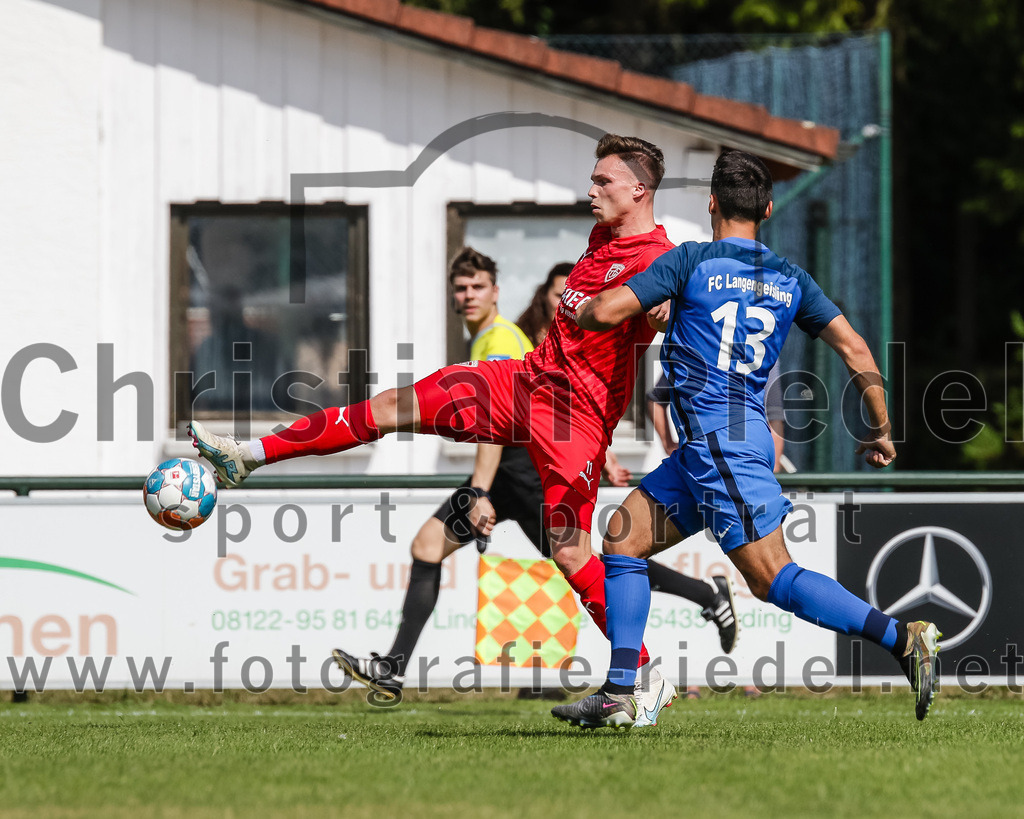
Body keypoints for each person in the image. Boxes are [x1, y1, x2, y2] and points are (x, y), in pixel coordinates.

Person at [189, 134, 735, 726]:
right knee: (396, 404)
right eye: (593, 178)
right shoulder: (604, 235)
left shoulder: (660, 259)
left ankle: (644, 676)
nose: (591, 189)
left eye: (603, 181)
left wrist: (666, 311)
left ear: (639, 190)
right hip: (523, 381)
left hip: (574, 418)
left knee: (574, 552)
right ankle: (247, 455)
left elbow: (681, 311)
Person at [552, 148, 940, 729]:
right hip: (726, 440)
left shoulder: (690, 262)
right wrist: (881, 429)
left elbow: (607, 313)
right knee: (623, 538)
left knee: (770, 577)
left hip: (719, 443)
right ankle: (621, 691)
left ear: (711, 204)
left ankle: (903, 636)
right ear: (769, 207)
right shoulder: (792, 279)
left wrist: (575, 300)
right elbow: (856, 350)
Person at [331, 249, 737, 706]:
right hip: (504, 475)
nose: (468, 297)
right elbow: (555, 404)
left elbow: (505, 423)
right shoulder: (509, 335)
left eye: (477, 288)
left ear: (496, 293)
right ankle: (393, 669)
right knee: (429, 546)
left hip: (525, 476)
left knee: (584, 564)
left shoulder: (502, 338)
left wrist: (480, 492)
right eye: (461, 289)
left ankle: (660, 643)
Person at [515, 262, 572, 347]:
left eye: (572, 298)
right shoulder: (520, 334)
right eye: (559, 296)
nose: (565, 304)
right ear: (545, 293)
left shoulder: (587, 341)